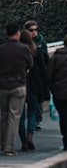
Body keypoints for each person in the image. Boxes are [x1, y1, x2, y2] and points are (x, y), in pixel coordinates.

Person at [0, 24, 32, 157]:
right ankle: (9, 148)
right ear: (18, 33)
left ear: (6, 34)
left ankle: (2, 144)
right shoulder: (24, 48)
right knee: (14, 117)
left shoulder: (1, 49)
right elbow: (31, 64)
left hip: (2, 86)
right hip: (18, 85)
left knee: (3, 116)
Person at [17, 22, 47, 153]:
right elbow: (44, 70)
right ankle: (30, 136)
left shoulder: (18, 53)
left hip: (20, 85)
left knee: (21, 116)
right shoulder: (37, 52)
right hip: (34, 86)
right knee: (32, 114)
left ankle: (23, 140)